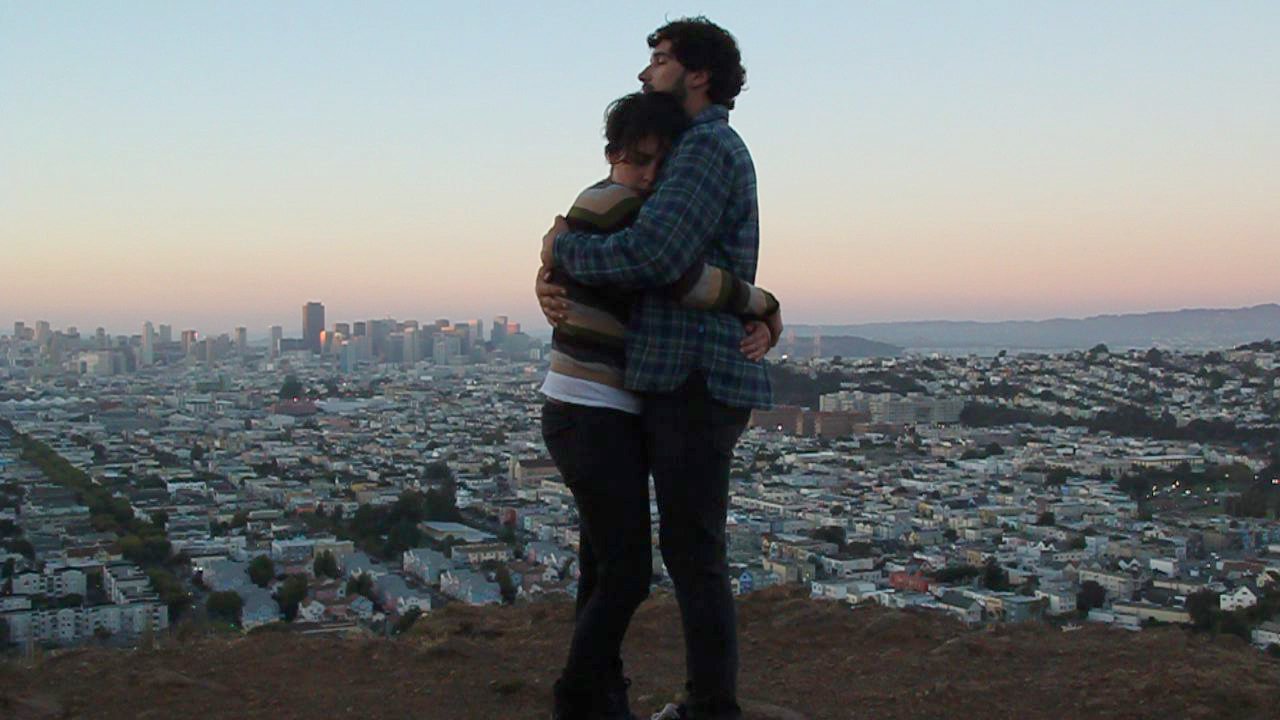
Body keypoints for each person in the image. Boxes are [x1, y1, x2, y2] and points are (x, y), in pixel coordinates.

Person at [539, 17, 774, 720]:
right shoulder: (688, 150)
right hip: (666, 378)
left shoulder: (706, 148)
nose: (646, 74)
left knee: (690, 551)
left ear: (698, 74)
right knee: (633, 553)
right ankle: (606, 694)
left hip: (694, 377)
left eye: (662, 60)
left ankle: (706, 706)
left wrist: (561, 253)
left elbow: (656, 258)